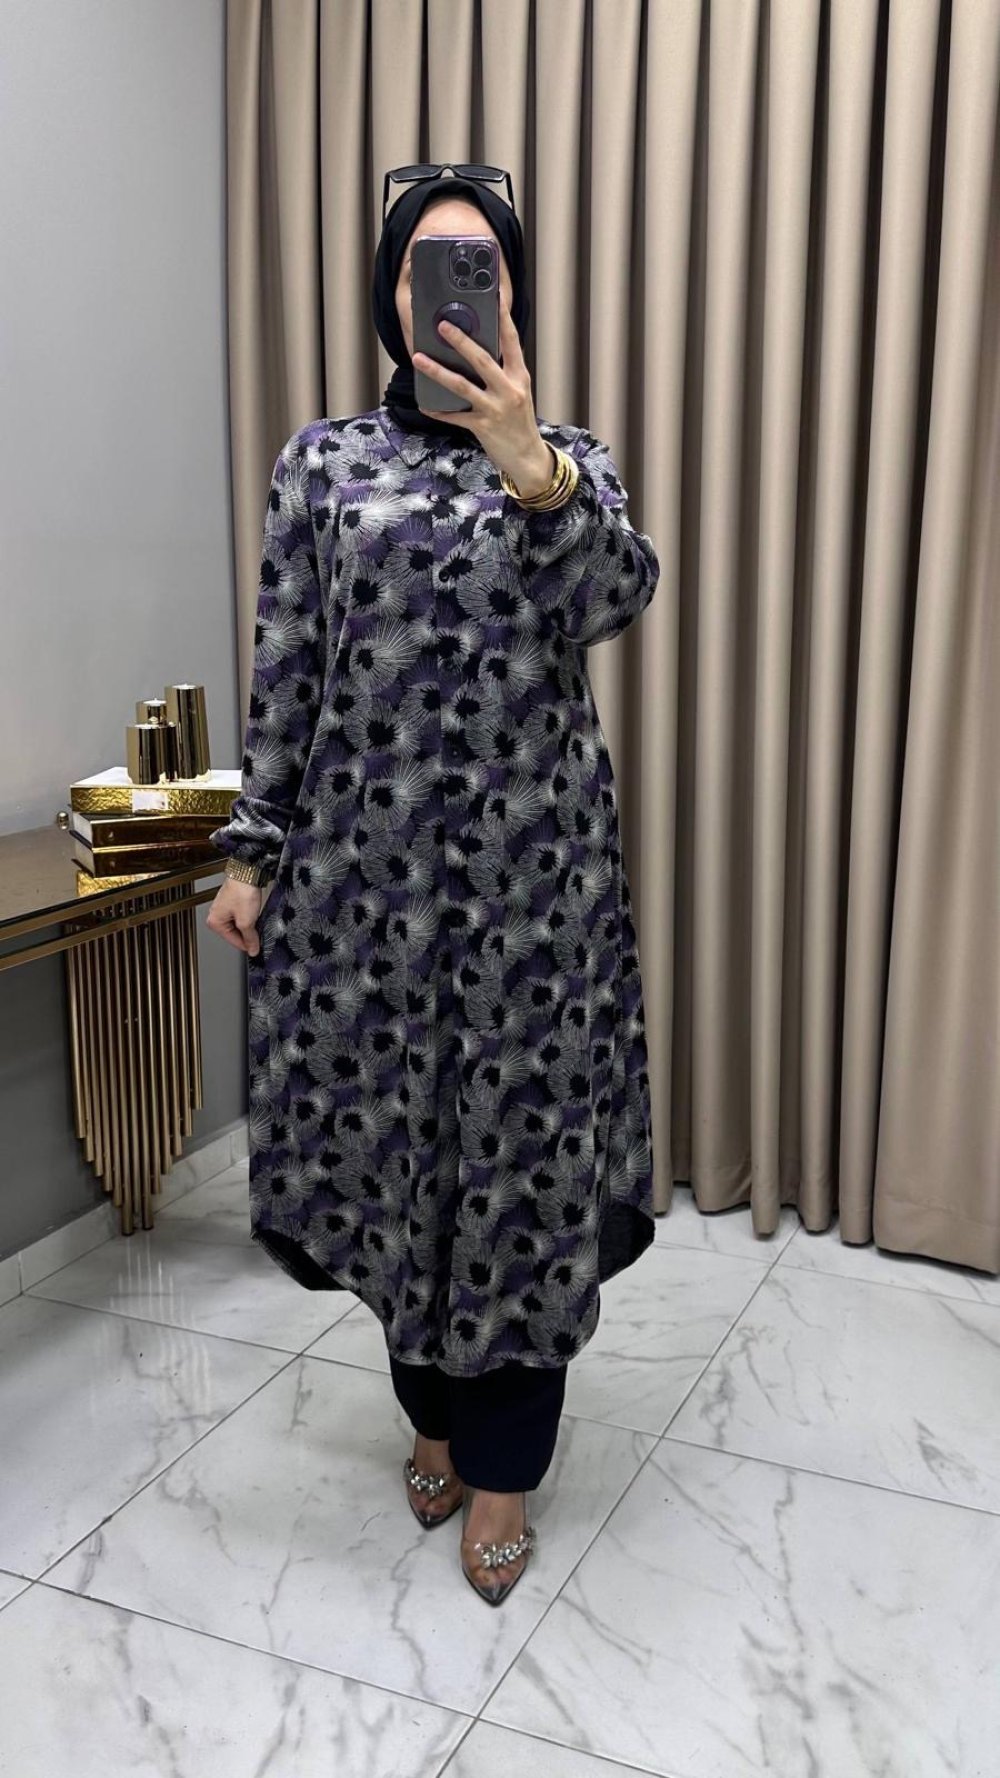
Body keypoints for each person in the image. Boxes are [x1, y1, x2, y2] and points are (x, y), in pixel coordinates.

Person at [207, 165, 660, 1605]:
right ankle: (432, 1414)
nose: (453, 286)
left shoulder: (567, 461)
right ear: (391, 295)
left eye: (482, 264)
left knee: (521, 1176)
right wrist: (251, 848)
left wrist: (531, 462)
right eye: (426, 263)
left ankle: (504, 1469)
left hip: (536, 897)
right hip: (367, 895)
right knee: (399, 1167)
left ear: (513, 299)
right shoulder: (322, 464)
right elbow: (288, 661)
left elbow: (616, 598)